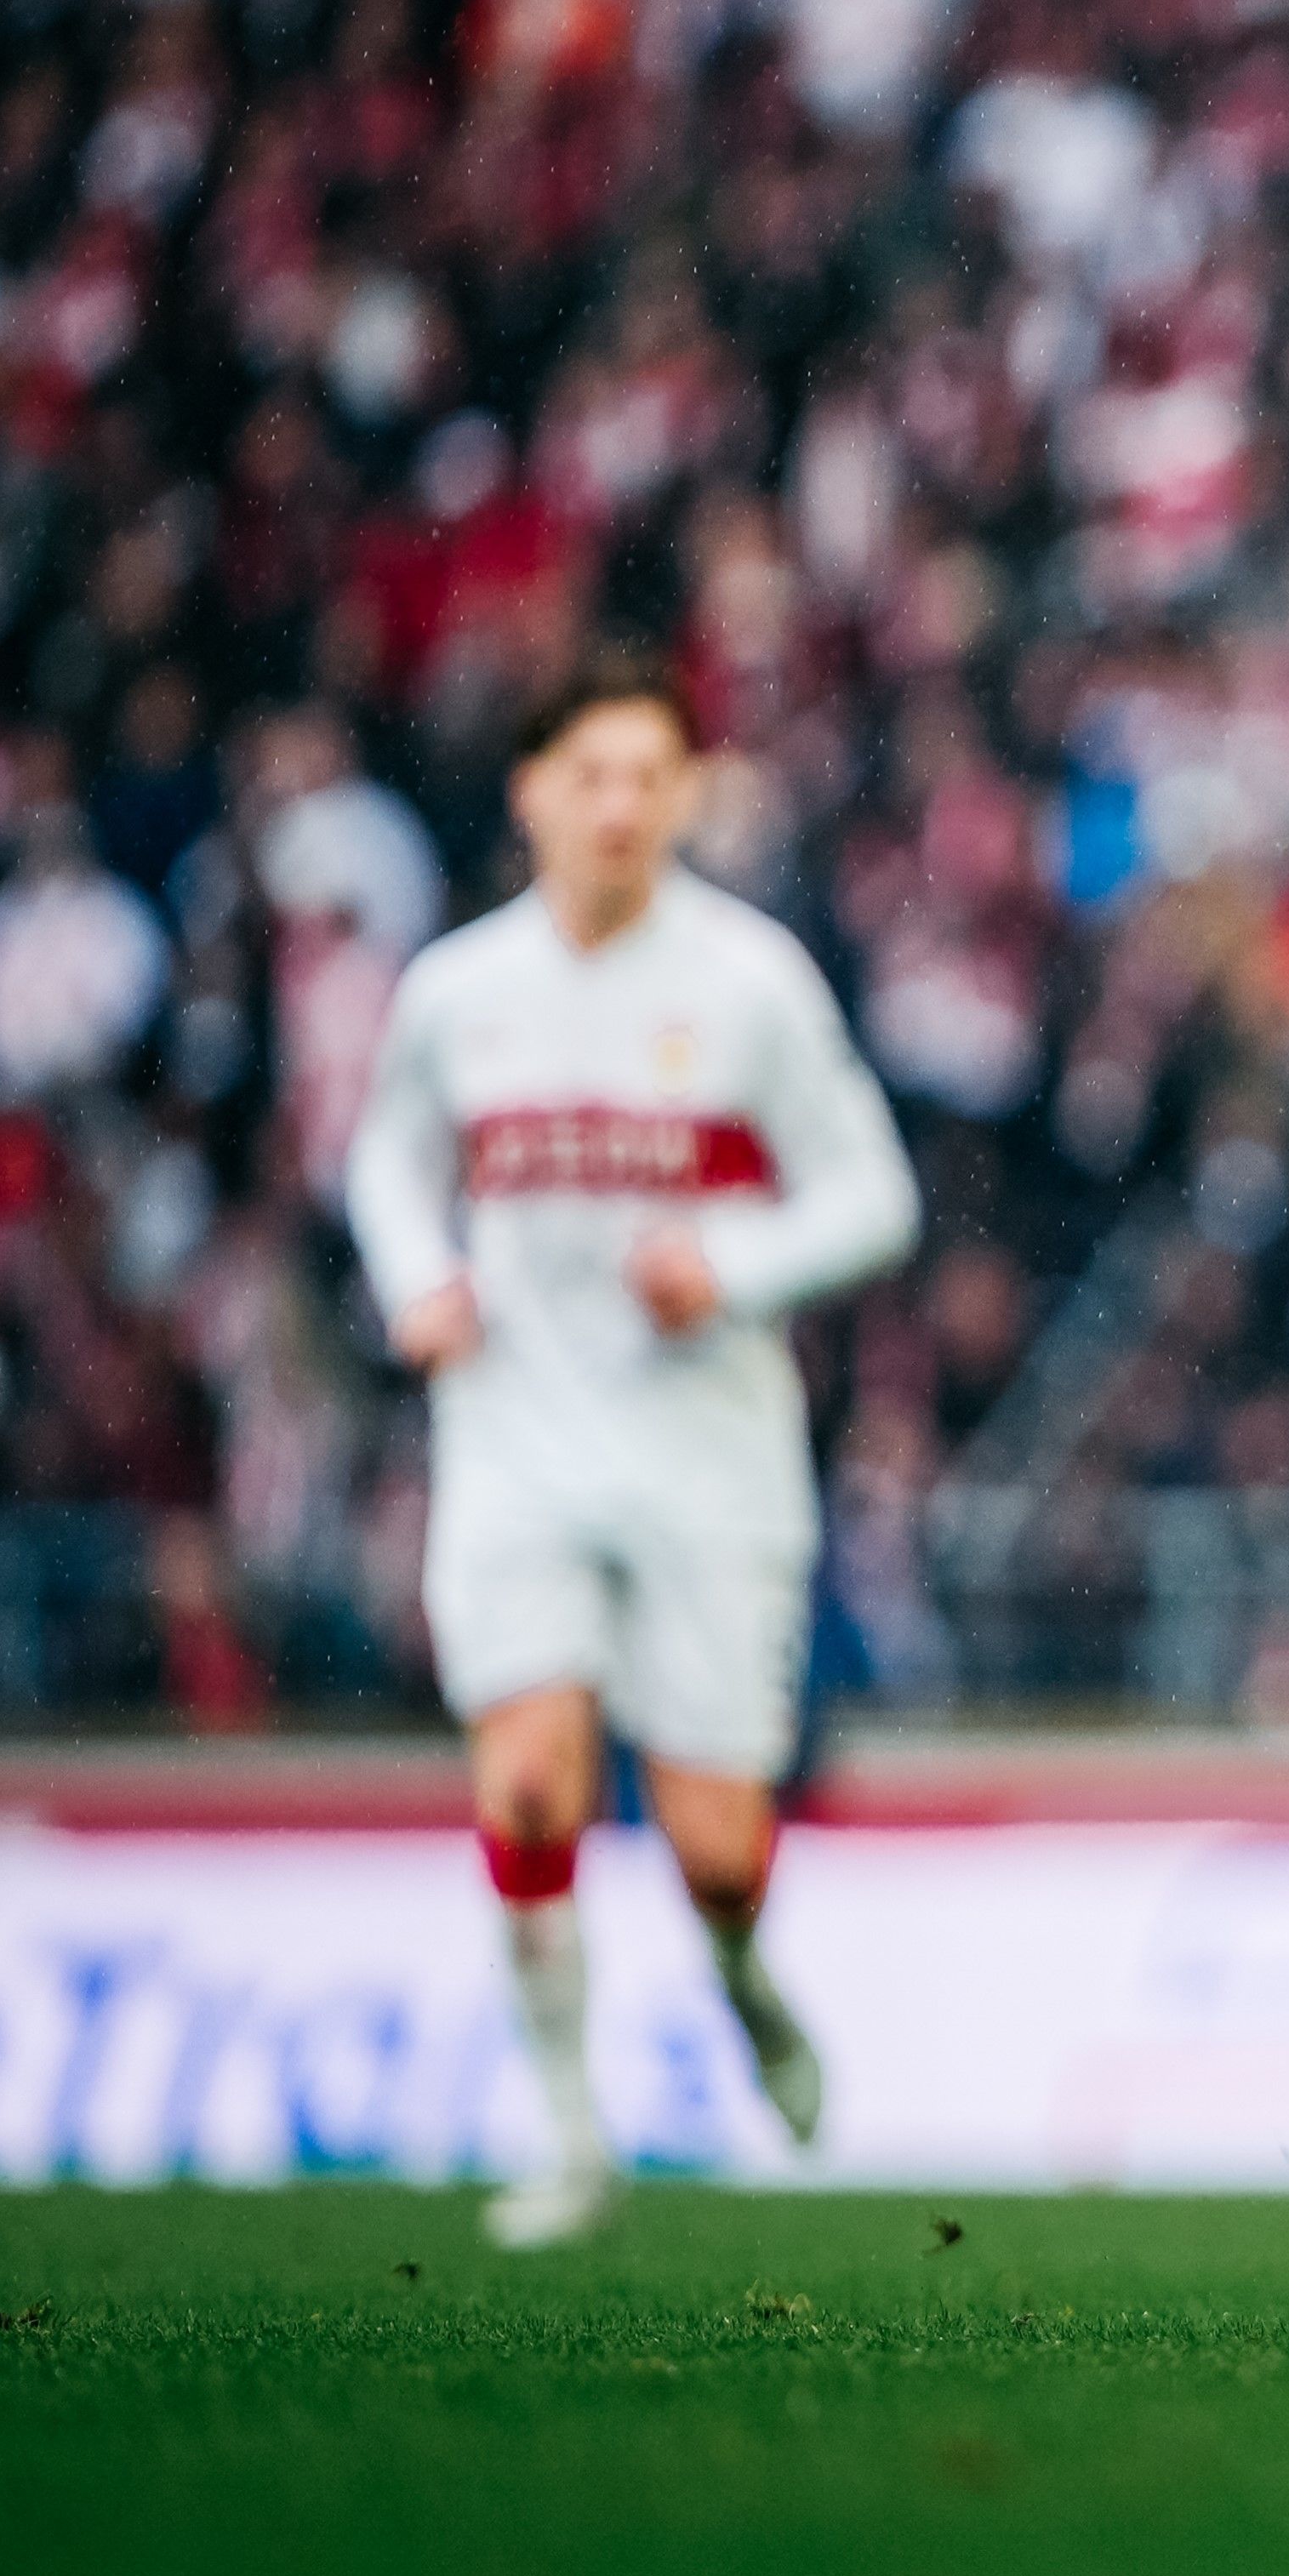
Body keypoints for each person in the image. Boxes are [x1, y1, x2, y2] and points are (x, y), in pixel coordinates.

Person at [345, 666, 921, 2248]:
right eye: (592, 774)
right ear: (530, 792)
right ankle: (570, 2135)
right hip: (515, 1437)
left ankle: (743, 1977)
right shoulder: (458, 990)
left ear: (682, 799)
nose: (621, 805)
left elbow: (873, 1196)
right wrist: (418, 1278)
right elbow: (386, 1158)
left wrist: (731, 1268)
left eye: (650, 776)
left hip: (706, 1455)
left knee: (715, 1847)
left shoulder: (751, 982)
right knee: (532, 1789)